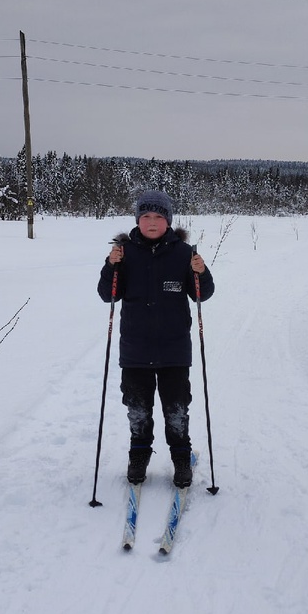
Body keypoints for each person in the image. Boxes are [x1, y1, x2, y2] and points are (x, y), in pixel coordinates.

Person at [97, 189, 215, 488]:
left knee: (176, 409)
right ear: (138, 219)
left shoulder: (184, 253)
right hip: (135, 349)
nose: (152, 222)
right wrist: (111, 266)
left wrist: (201, 273)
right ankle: (139, 455)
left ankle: (180, 459)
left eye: (158, 217)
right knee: (137, 409)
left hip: (174, 349)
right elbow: (107, 295)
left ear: (168, 221)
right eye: (146, 216)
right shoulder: (123, 253)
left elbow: (203, 294)